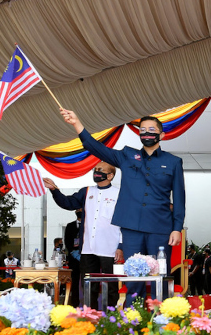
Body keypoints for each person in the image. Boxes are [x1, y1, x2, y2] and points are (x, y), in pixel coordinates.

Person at [61, 110, 185, 305]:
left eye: (151, 129)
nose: (146, 133)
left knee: (160, 276)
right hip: (131, 227)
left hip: (159, 227)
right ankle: (132, 320)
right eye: (142, 130)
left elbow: (179, 198)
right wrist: (77, 124)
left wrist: (177, 227)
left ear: (162, 135)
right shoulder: (127, 155)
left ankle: (163, 321)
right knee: (134, 277)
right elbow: (96, 148)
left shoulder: (173, 162)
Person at [43, 161, 124, 306]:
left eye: (100, 170)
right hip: (88, 248)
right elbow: (67, 203)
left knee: (111, 285)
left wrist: (121, 246)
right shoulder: (86, 191)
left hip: (110, 248)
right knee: (88, 285)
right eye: (95, 169)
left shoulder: (119, 193)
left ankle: (111, 318)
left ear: (110, 175)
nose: (97, 172)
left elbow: (125, 221)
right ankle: (89, 316)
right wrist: (54, 190)